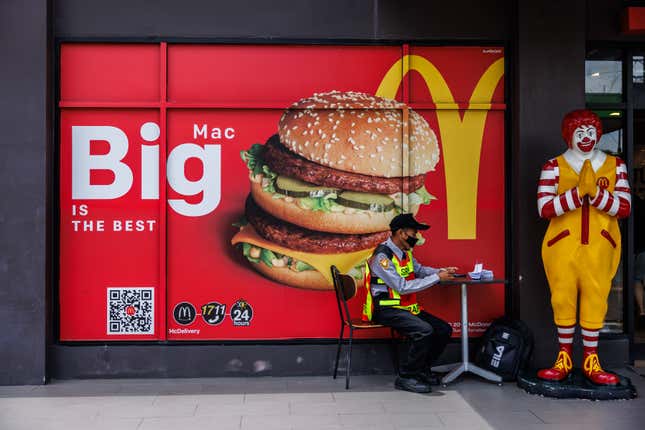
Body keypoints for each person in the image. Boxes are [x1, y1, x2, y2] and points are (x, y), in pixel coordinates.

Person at [536, 109, 631, 385]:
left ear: (598, 134)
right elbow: (544, 208)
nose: (586, 137)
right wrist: (579, 193)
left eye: (591, 132)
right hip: (562, 247)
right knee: (562, 298)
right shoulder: (553, 166)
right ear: (568, 135)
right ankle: (563, 358)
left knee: (596, 299)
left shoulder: (616, 166)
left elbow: (623, 207)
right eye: (580, 132)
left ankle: (591, 360)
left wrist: (596, 193)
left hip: (600, 247)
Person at [362, 213, 456, 393]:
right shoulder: (383, 256)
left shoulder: (404, 252)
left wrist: (441, 271)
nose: (417, 237)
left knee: (443, 329)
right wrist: (437, 278)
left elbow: (419, 270)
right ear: (402, 233)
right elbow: (402, 287)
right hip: (385, 308)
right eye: (415, 232)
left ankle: (420, 370)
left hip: (404, 307)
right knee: (424, 330)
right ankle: (406, 376)